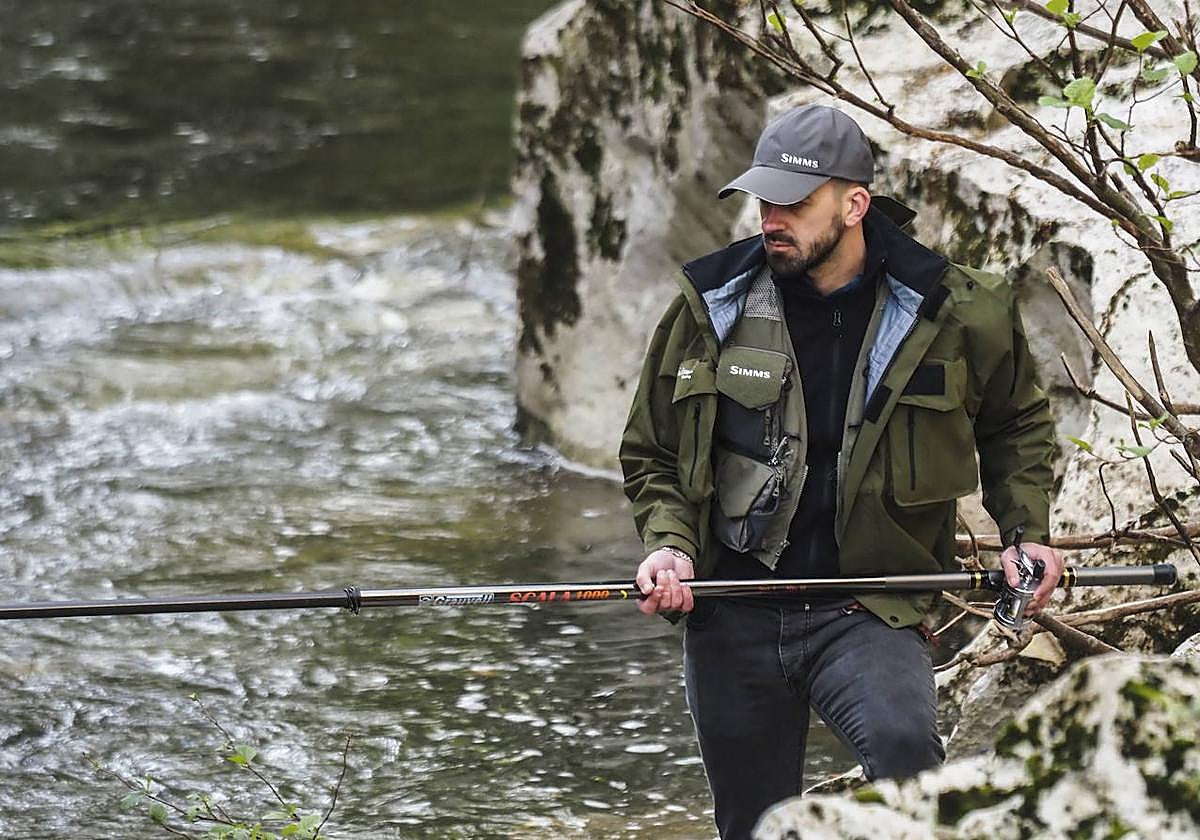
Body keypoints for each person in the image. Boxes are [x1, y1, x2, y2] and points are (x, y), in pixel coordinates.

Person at [618, 103, 1062, 839]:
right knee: (752, 827)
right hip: (734, 610)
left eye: (793, 202)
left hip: (870, 607)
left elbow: (1015, 423)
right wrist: (671, 546)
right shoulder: (710, 305)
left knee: (907, 758)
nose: (771, 218)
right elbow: (653, 450)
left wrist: (1025, 533)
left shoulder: (958, 309)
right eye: (764, 201)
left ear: (854, 204)